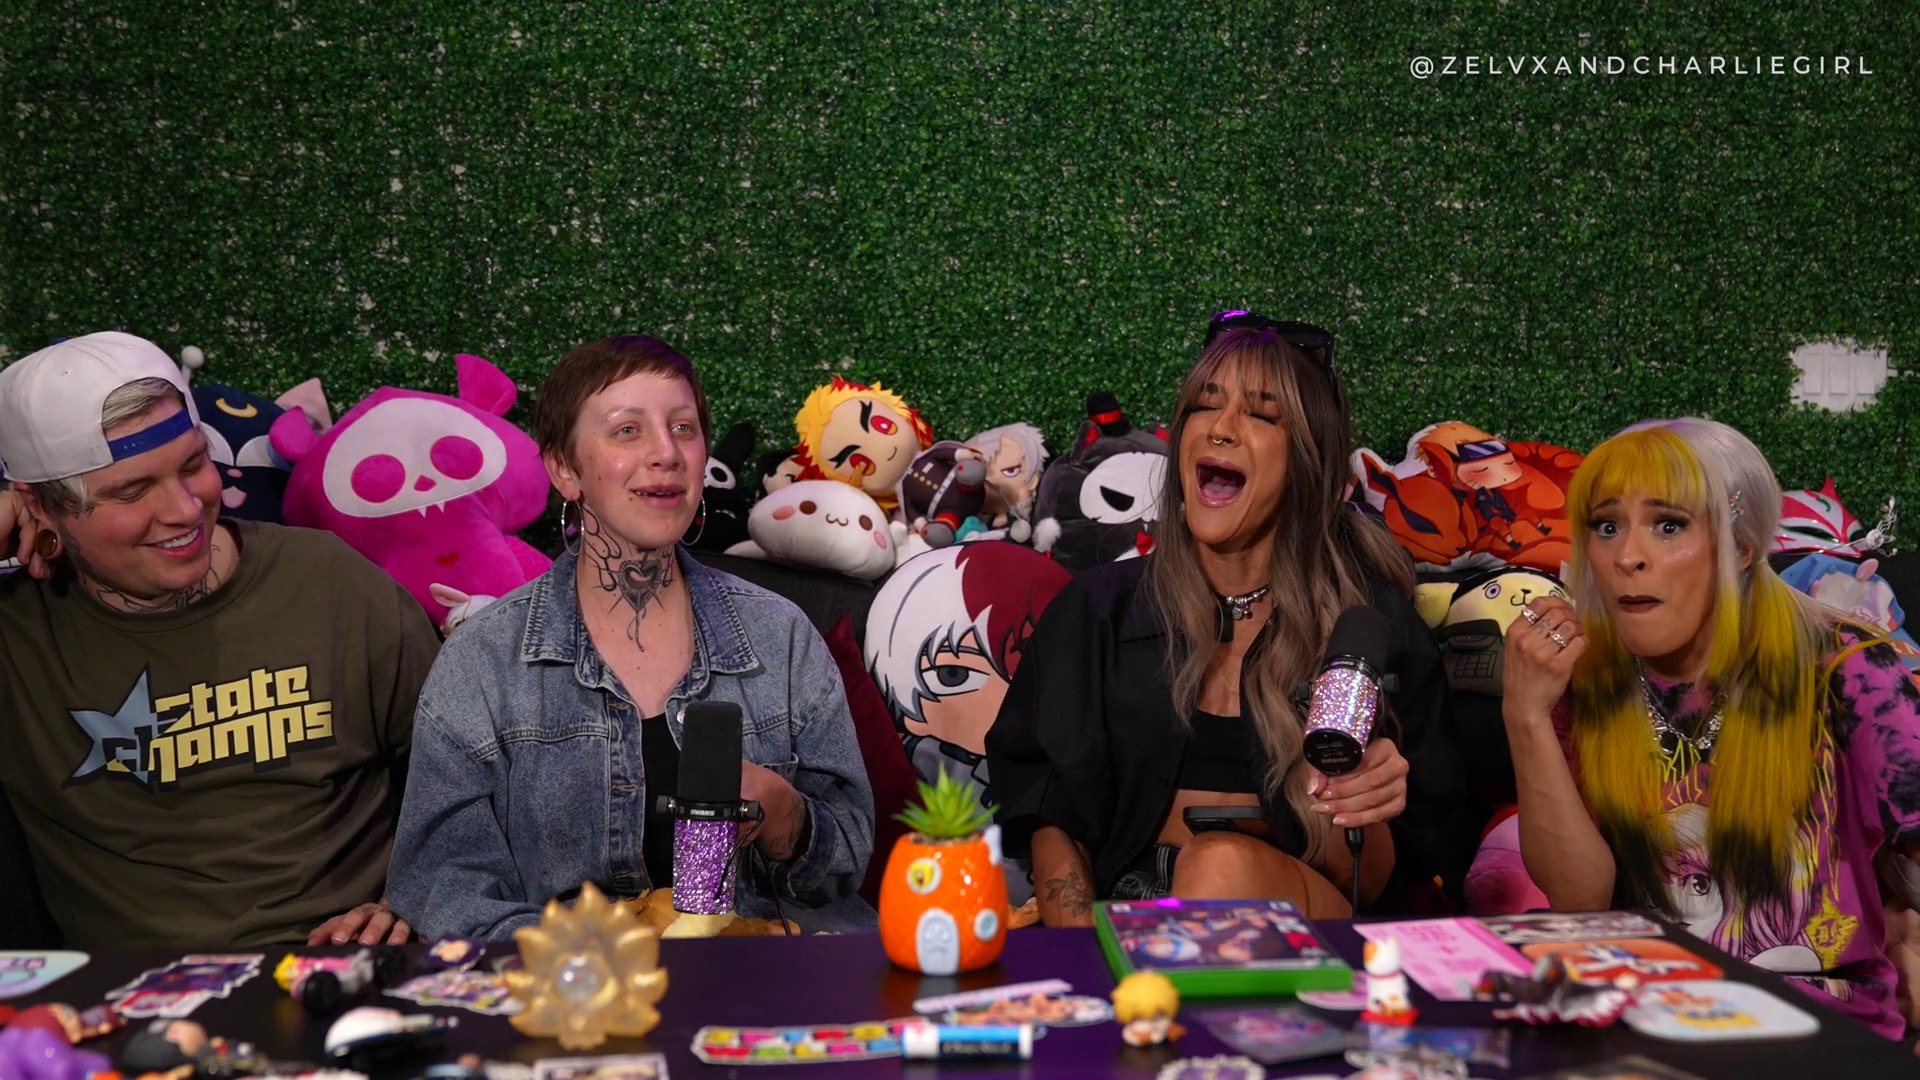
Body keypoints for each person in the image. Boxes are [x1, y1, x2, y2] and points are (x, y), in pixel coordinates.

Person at [987, 313, 1481, 925]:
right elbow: (1049, 812)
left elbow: (1378, 883)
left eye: (1262, 414)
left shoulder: (1369, 625)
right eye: (1204, 405)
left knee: (1217, 866)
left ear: (1309, 462)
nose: (1220, 428)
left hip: (1298, 923)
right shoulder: (1097, 610)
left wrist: (1362, 797)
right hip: (1120, 922)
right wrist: (1082, 949)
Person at [387, 334, 875, 940]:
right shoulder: (482, 663)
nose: (666, 453)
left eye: (683, 428)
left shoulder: (780, 636)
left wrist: (783, 813)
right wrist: (605, 958)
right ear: (565, 469)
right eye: (627, 430)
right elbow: (445, 886)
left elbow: (847, 865)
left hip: (764, 969)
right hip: (575, 982)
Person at [0, 332, 438, 950]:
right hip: (133, 995)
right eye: (132, 491)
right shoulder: (17, 632)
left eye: (192, 465)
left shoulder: (332, 583)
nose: (184, 509)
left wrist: (419, 895)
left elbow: (475, 780)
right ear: (41, 507)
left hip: (349, 969)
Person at [1504, 418, 1920, 1039]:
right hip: (1637, 1023)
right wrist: (1526, 716)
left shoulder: (1849, 667)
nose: (1627, 556)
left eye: (1668, 525)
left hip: (1820, 1028)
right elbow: (1581, 902)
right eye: (1606, 526)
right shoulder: (1582, 678)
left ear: (1742, 548)